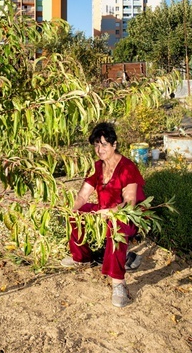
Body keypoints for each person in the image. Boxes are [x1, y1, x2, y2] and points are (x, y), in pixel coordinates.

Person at [61, 122, 146, 308]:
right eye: (96, 145)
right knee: (77, 215)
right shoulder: (98, 167)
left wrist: (109, 212)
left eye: (104, 144)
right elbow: (83, 194)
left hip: (125, 215)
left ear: (114, 144)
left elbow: (130, 202)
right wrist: (70, 209)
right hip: (103, 211)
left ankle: (118, 283)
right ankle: (82, 257)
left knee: (117, 229)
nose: (100, 149)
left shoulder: (127, 168)